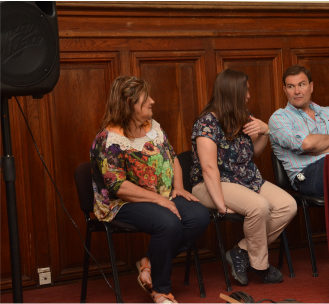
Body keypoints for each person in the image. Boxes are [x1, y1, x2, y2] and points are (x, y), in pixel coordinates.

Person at [90, 76, 209, 304]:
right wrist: (158, 200)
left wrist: (178, 187)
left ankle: (150, 264)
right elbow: (118, 186)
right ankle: (161, 291)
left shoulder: (152, 127)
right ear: (129, 103)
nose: (153, 101)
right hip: (122, 203)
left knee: (199, 215)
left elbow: (171, 156)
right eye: (146, 99)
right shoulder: (108, 140)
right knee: (168, 223)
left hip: (161, 195)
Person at [190, 69, 296, 286]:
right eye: (245, 91)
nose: (248, 96)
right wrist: (220, 205)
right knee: (259, 206)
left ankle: (241, 251)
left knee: (288, 205)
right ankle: (261, 266)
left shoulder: (243, 116)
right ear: (233, 93)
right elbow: (209, 168)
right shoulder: (207, 123)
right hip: (211, 185)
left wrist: (265, 132)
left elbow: (254, 152)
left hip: (246, 179)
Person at [268, 65, 329, 197]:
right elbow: (307, 144)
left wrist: (320, 149)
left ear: (311, 87)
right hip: (305, 175)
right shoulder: (279, 118)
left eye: (301, 84)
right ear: (285, 90)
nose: (297, 91)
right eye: (291, 86)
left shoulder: (327, 112)